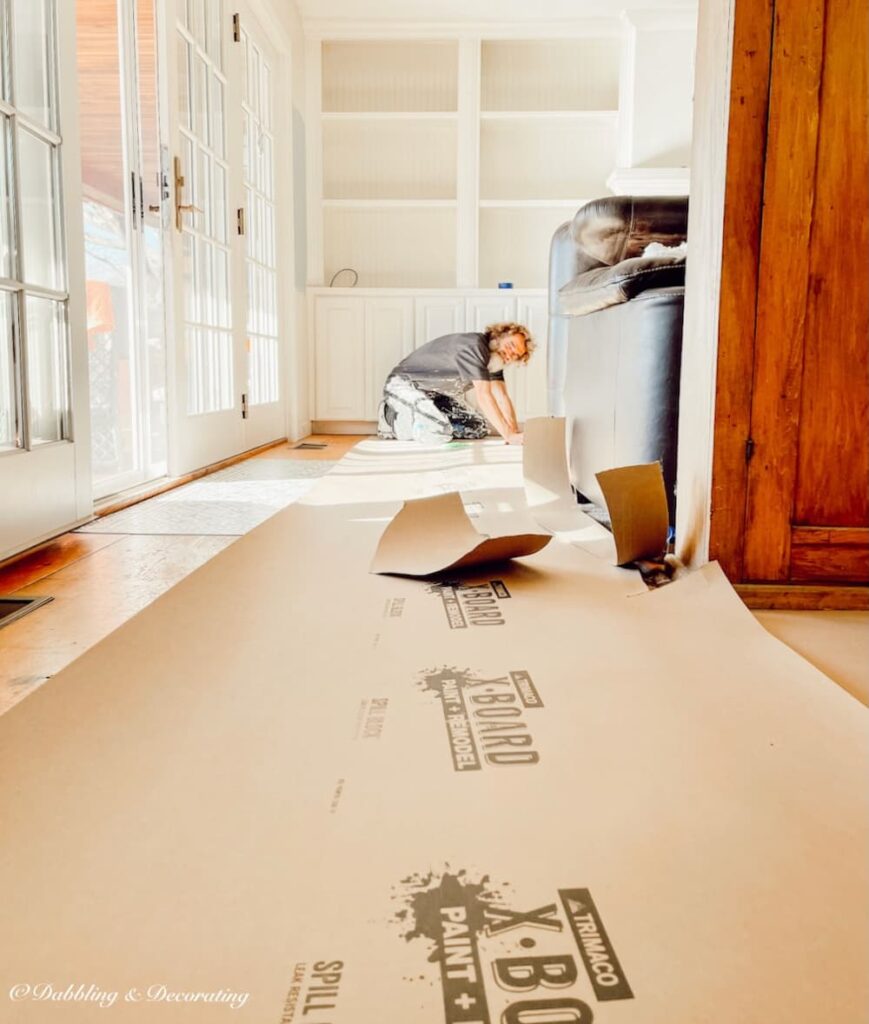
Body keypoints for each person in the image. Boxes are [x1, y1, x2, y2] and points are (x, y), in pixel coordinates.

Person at [377, 322, 534, 445]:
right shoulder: (474, 347)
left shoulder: (494, 361)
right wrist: (508, 434)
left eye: (515, 355)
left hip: (435, 396)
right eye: (512, 345)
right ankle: (389, 420)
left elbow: (502, 397)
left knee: (476, 428)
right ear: (499, 335)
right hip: (403, 386)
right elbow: (484, 395)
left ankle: (422, 416)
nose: (510, 353)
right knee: (437, 430)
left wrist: (514, 432)